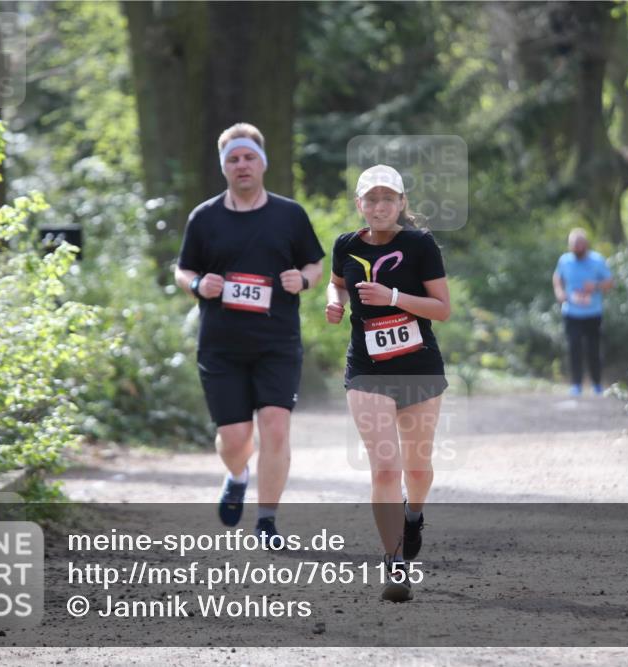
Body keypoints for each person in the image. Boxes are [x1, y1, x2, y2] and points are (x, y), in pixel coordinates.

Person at [175, 123, 325, 546]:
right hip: (221, 345)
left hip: (277, 341)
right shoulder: (204, 218)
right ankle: (237, 474)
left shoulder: (289, 214)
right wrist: (196, 285)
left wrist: (305, 280)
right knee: (235, 438)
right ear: (224, 167)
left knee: (275, 427)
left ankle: (267, 521)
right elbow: (182, 269)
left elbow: (315, 263)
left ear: (263, 163)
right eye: (233, 160)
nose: (242, 165)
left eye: (248, 157)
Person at [325, 164, 451, 602]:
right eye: (371, 199)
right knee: (385, 467)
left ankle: (413, 514)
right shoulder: (345, 244)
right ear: (359, 205)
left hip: (417, 367)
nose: (379, 206)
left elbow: (441, 309)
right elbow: (336, 283)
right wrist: (333, 303)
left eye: (388, 198)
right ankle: (394, 563)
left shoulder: (420, 244)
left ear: (401, 204)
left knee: (417, 468)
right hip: (367, 369)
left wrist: (394, 298)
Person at [552, 228, 613, 396]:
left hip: (593, 313)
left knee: (593, 349)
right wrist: (559, 292)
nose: (578, 248)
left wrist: (595, 286)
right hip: (571, 313)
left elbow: (610, 282)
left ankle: (596, 384)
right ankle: (576, 384)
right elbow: (557, 277)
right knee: (574, 348)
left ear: (586, 244)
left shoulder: (597, 260)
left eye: (581, 244)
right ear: (570, 246)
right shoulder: (565, 261)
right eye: (574, 245)